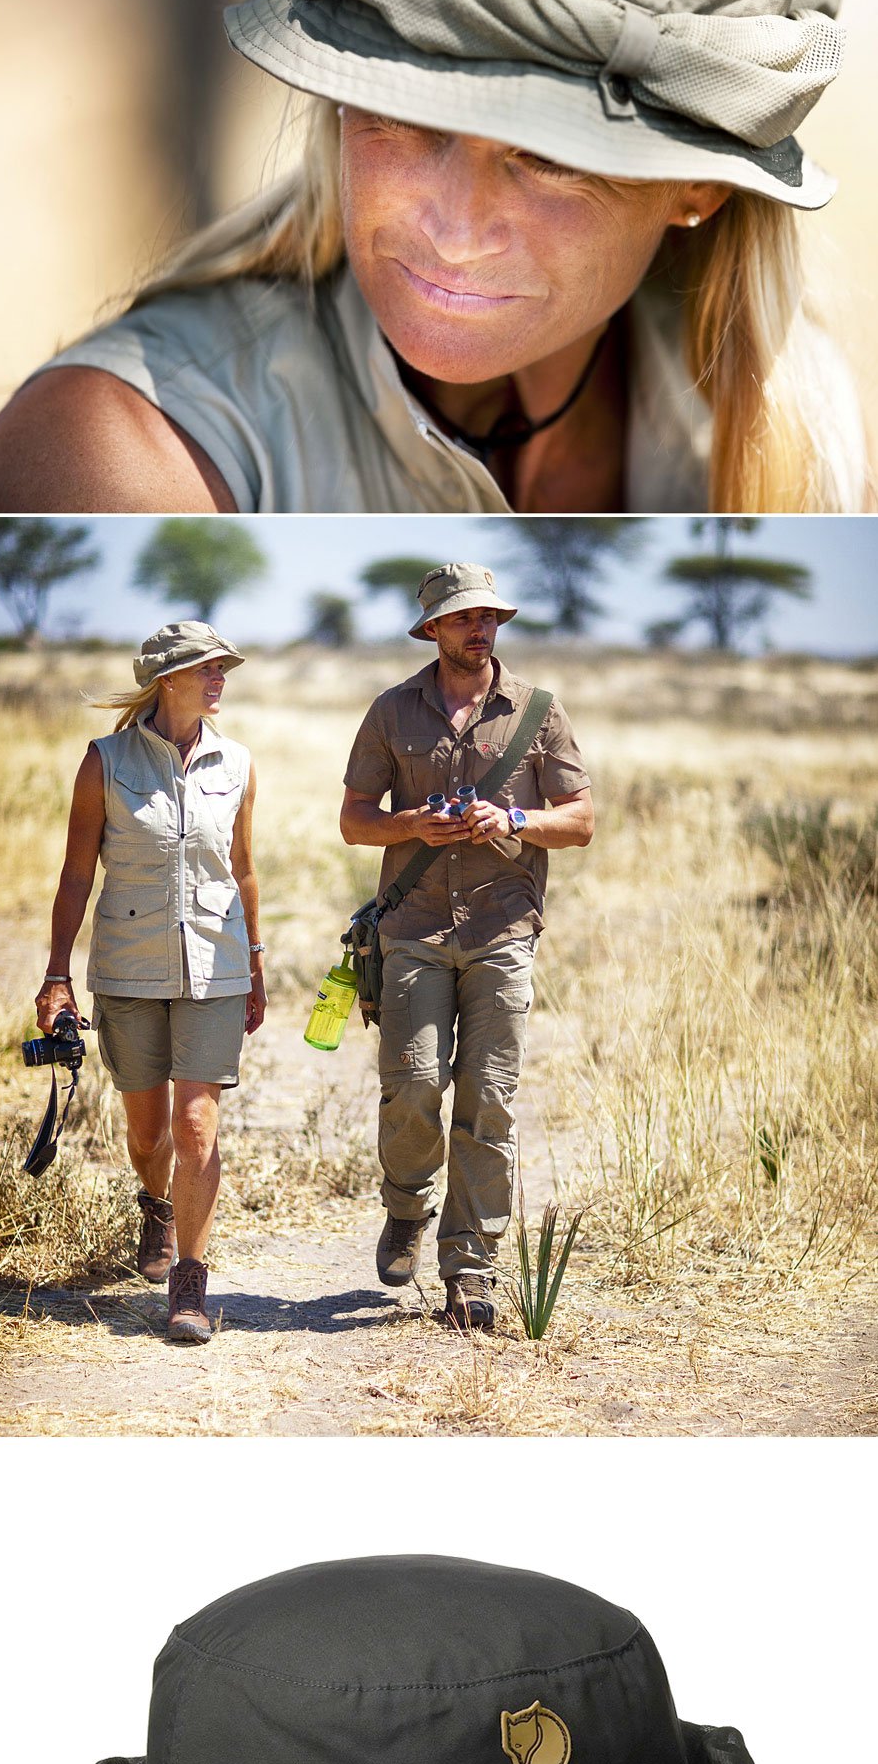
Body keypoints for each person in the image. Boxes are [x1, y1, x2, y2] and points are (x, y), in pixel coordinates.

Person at [0, 0, 865, 526]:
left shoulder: (793, 422)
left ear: (698, 187)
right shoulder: (118, 458)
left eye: (551, 158)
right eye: (403, 113)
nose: (455, 226)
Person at [339, 563, 593, 1337]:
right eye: (463, 619)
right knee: (413, 1085)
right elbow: (354, 819)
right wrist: (412, 823)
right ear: (433, 630)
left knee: (489, 1100)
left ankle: (471, 1271)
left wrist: (512, 823)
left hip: (503, 932)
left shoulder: (539, 711)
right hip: (412, 929)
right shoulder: (391, 710)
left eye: (489, 618)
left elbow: (579, 820)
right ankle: (407, 1206)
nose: (480, 630)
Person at [32, 611, 265, 1347]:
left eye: (222, 667)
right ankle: (154, 1203)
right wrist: (55, 975)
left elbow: (244, 870)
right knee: (147, 1133)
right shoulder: (105, 762)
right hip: (128, 968)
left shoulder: (239, 764)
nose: (219, 678)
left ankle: (189, 1283)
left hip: (216, 966)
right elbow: (75, 874)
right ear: (169, 680)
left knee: (196, 1122)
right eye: (207, 668)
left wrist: (255, 962)